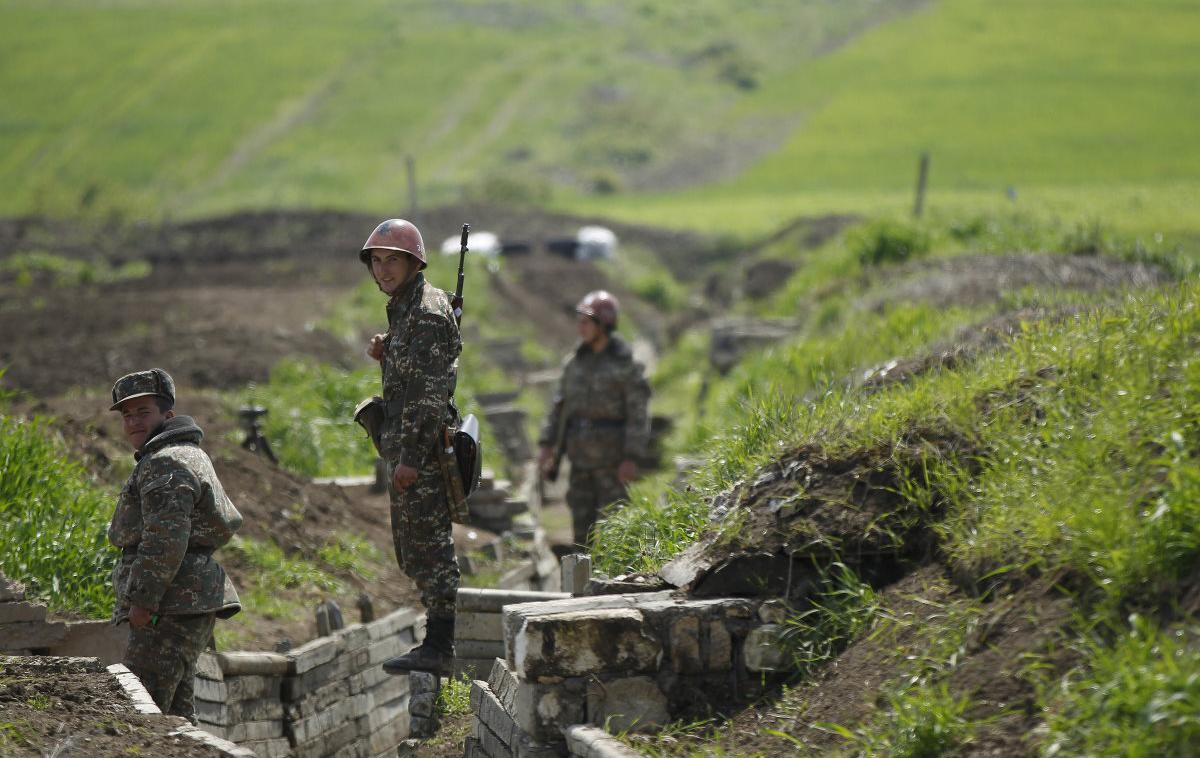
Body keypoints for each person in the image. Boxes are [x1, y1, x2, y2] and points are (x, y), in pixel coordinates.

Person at [107, 368, 242, 722]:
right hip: (185, 600)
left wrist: (143, 602)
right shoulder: (187, 453)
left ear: (167, 416)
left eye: (143, 412)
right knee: (177, 719)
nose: (133, 421)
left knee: (143, 711)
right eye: (127, 414)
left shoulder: (165, 461)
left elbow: (164, 540)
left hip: (170, 605)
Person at [360, 218, 463, 674]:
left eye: (392, 261)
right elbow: (417, 370)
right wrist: (389, 349)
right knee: (413, 549)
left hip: (419, 452)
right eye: (377, 262)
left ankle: (439, 647)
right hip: (406, 448)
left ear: (413, 263)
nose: (383, 271)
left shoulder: (424, 313)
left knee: (430, 547)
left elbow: (429, 396)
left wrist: (411, 461)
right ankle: (435, 643)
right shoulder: (406, 308)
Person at [538, 290, 651, 548]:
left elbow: (638, 415)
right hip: (579, 464)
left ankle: (618, 582)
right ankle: (581, 583)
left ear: (604, 324)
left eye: (587, 321)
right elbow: (559, 407)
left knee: (618, 528)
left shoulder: (627, 365)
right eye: (580, 321)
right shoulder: (574, 364)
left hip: (613, 464)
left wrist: (631, 458)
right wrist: (547, 446)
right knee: (581, 533)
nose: (581, 327)